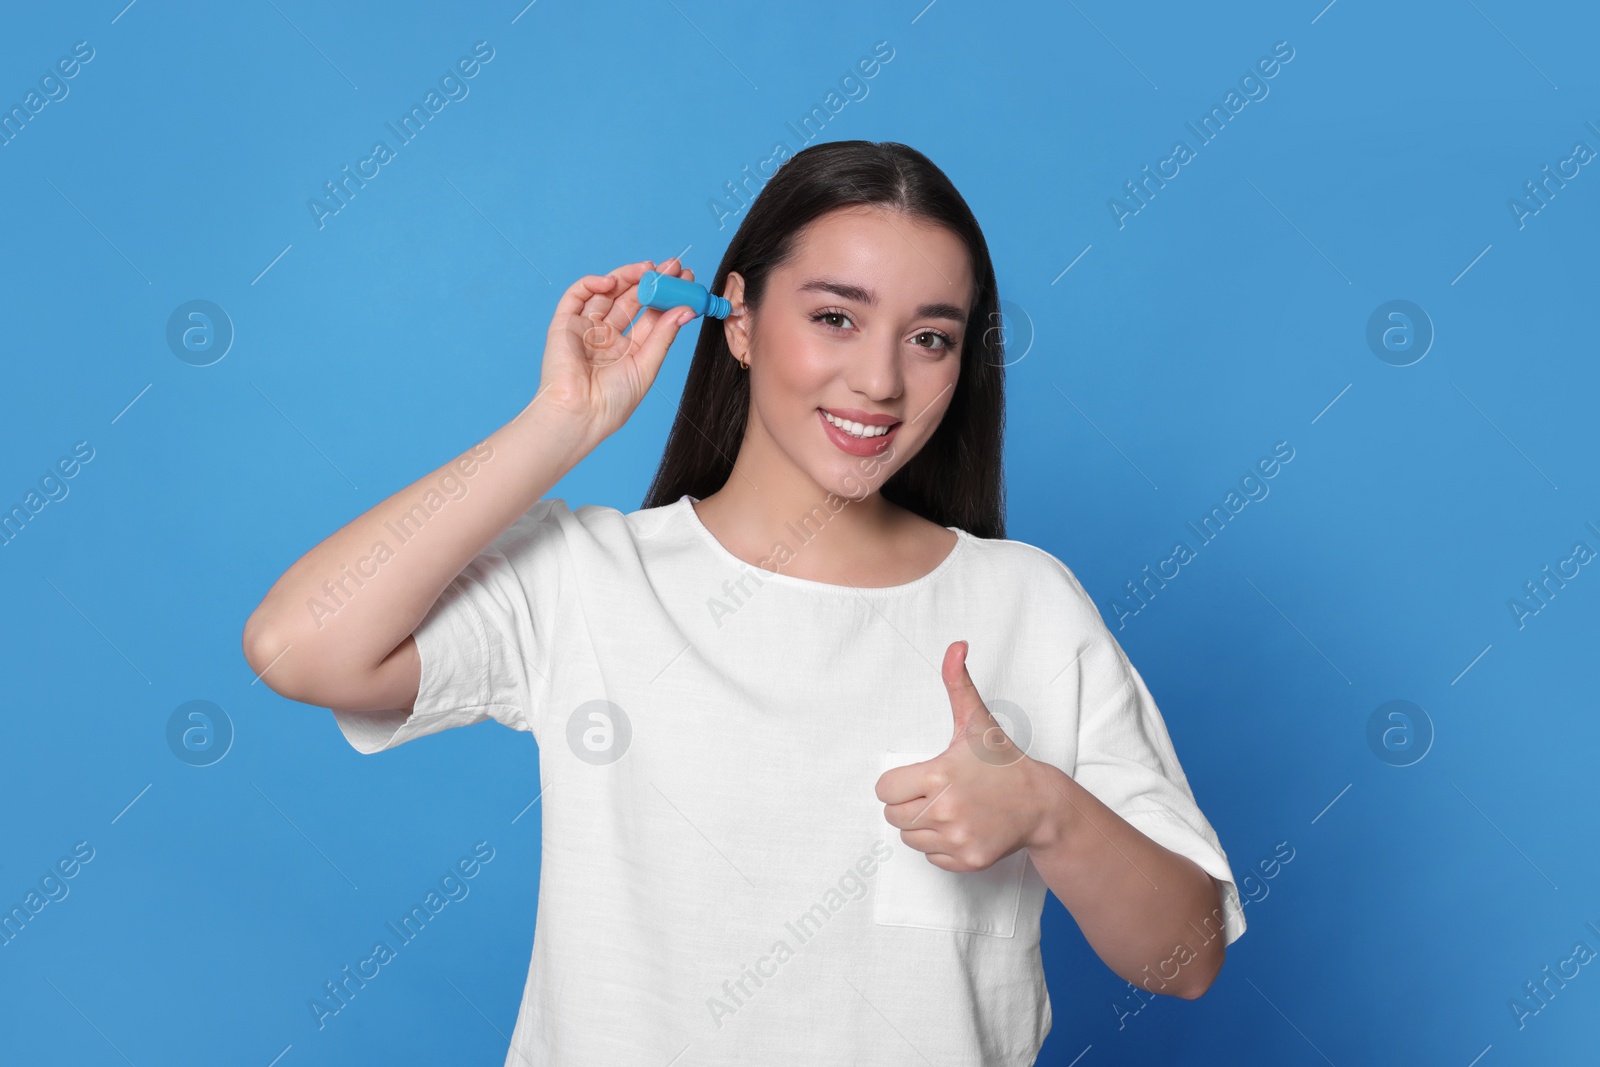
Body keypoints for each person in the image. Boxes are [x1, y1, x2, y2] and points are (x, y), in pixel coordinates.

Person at [242, 139, 1246, 1066]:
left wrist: (1047, 810)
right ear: (740, 319)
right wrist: (562, 421)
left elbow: (1185, 957)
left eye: (930, 338)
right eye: (834, 316)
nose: (879, 378)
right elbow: (298, 643)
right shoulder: (588, 577)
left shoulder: (1024, 602)